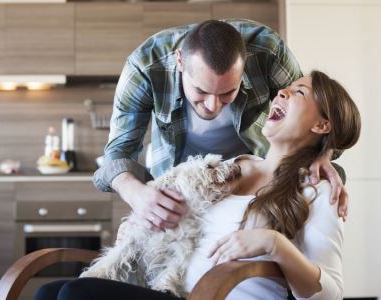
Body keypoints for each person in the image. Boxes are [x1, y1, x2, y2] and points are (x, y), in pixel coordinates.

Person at [34, 71, 361, 299]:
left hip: (217, 296)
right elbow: (180, 222)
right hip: (176, 291)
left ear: (322, 124)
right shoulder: (232, 167)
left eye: (299, 92)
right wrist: (142, 226)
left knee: (77, 294)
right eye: (286, 88)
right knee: (49, 292)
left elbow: (329, 293)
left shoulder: (317, 192)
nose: (282, 92)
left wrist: (275, 244)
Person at [93, 19, 348, 235]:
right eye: (201, 91)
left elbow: (314, 111)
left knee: (325, 178)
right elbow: (117, 155)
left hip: (255, 181)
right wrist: (137, 195)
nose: (213, 106)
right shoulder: (145, 66)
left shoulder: (267, 50)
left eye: (228, 92)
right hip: (183, 186)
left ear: (245, 64)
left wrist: (321, 153)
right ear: (180, 61)